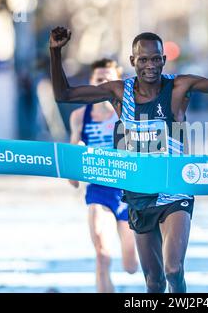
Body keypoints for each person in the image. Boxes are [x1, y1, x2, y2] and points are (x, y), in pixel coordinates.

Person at [49, 26, 208, 293]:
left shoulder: (179, 86)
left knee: (173, 269)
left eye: (156, 58)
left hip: (174, 190)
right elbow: (64, 95)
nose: (150, 65)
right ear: (132, 62)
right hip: (138, 192)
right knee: (154, 282)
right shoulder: (120, 92)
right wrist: (55, 51)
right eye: (143, 60)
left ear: (164, 60)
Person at [68, 58, 138, 292]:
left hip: (129, 192)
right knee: (102, 253)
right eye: (100, 79)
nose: (104, 82)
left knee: (131, 265)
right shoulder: (79, 116)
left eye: (110, 79)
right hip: (98, 190)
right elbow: (72, 170)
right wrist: (76, 159)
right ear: (91, 82)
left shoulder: (129, 114)